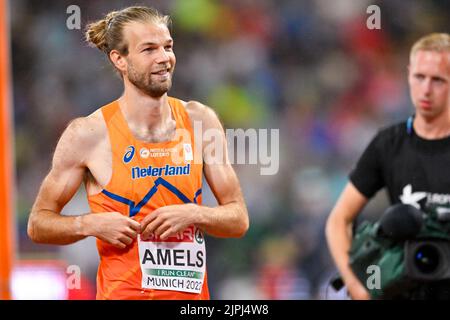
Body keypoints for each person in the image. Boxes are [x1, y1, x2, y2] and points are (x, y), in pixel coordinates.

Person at [27, 6, 249, 300]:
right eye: (148, 49)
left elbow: (239, 219)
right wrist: (90, 224)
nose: (163, 58)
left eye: (167, 47)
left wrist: (195, 213)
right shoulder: (88, 134)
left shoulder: (200, 121)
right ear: (119, 59)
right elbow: (38, 223)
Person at [326, 33, 450, 300]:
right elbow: (339, 220)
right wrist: (357, 287)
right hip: (405, 288)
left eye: (438, 80)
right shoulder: (389, 144)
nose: (426, 89)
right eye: (419, 77)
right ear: (408, 75)